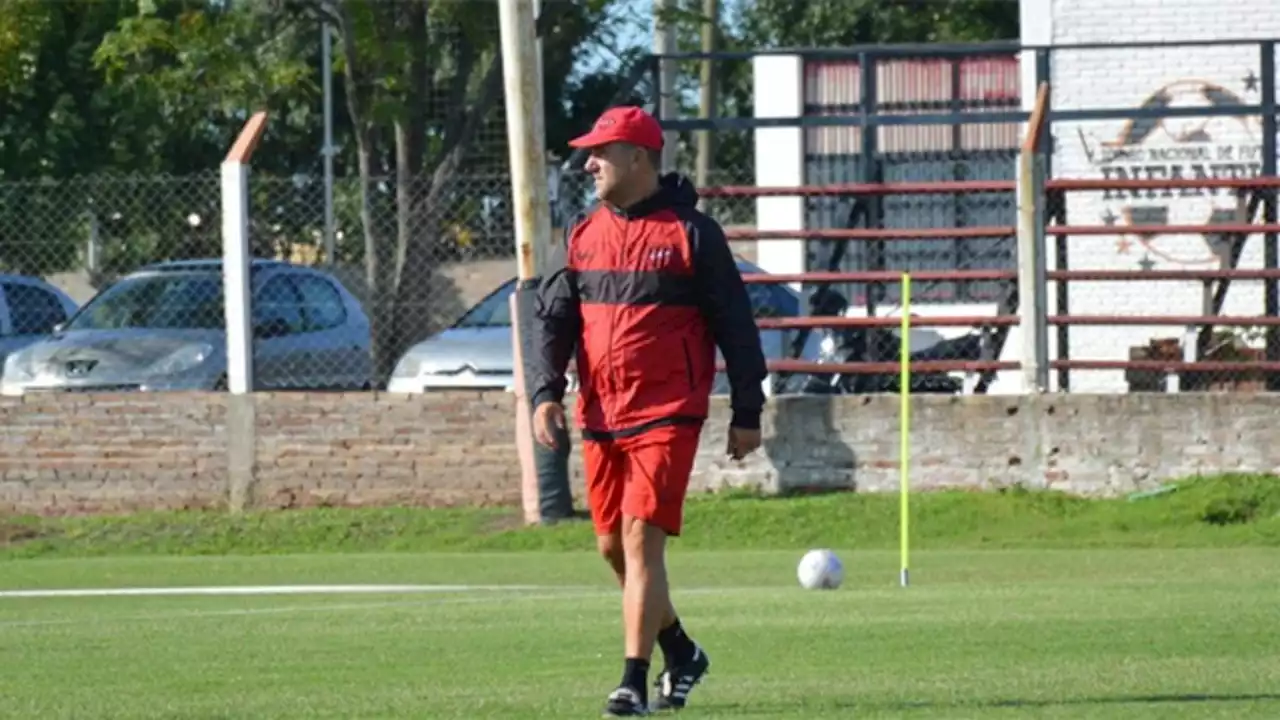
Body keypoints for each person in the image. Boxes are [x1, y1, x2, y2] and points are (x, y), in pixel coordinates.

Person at [528, 105, 768, 717]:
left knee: (640, 541)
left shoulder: (694, 234)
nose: (589, 163)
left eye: (600, 152)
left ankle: (631, 682)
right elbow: (553, 321)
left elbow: (736, 326)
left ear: (638, 158)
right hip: (602, 414)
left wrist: (748, 408)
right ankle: (680, 649)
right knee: (611, 546)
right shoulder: (581, 235)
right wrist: (545, 392)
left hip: (669, 411)